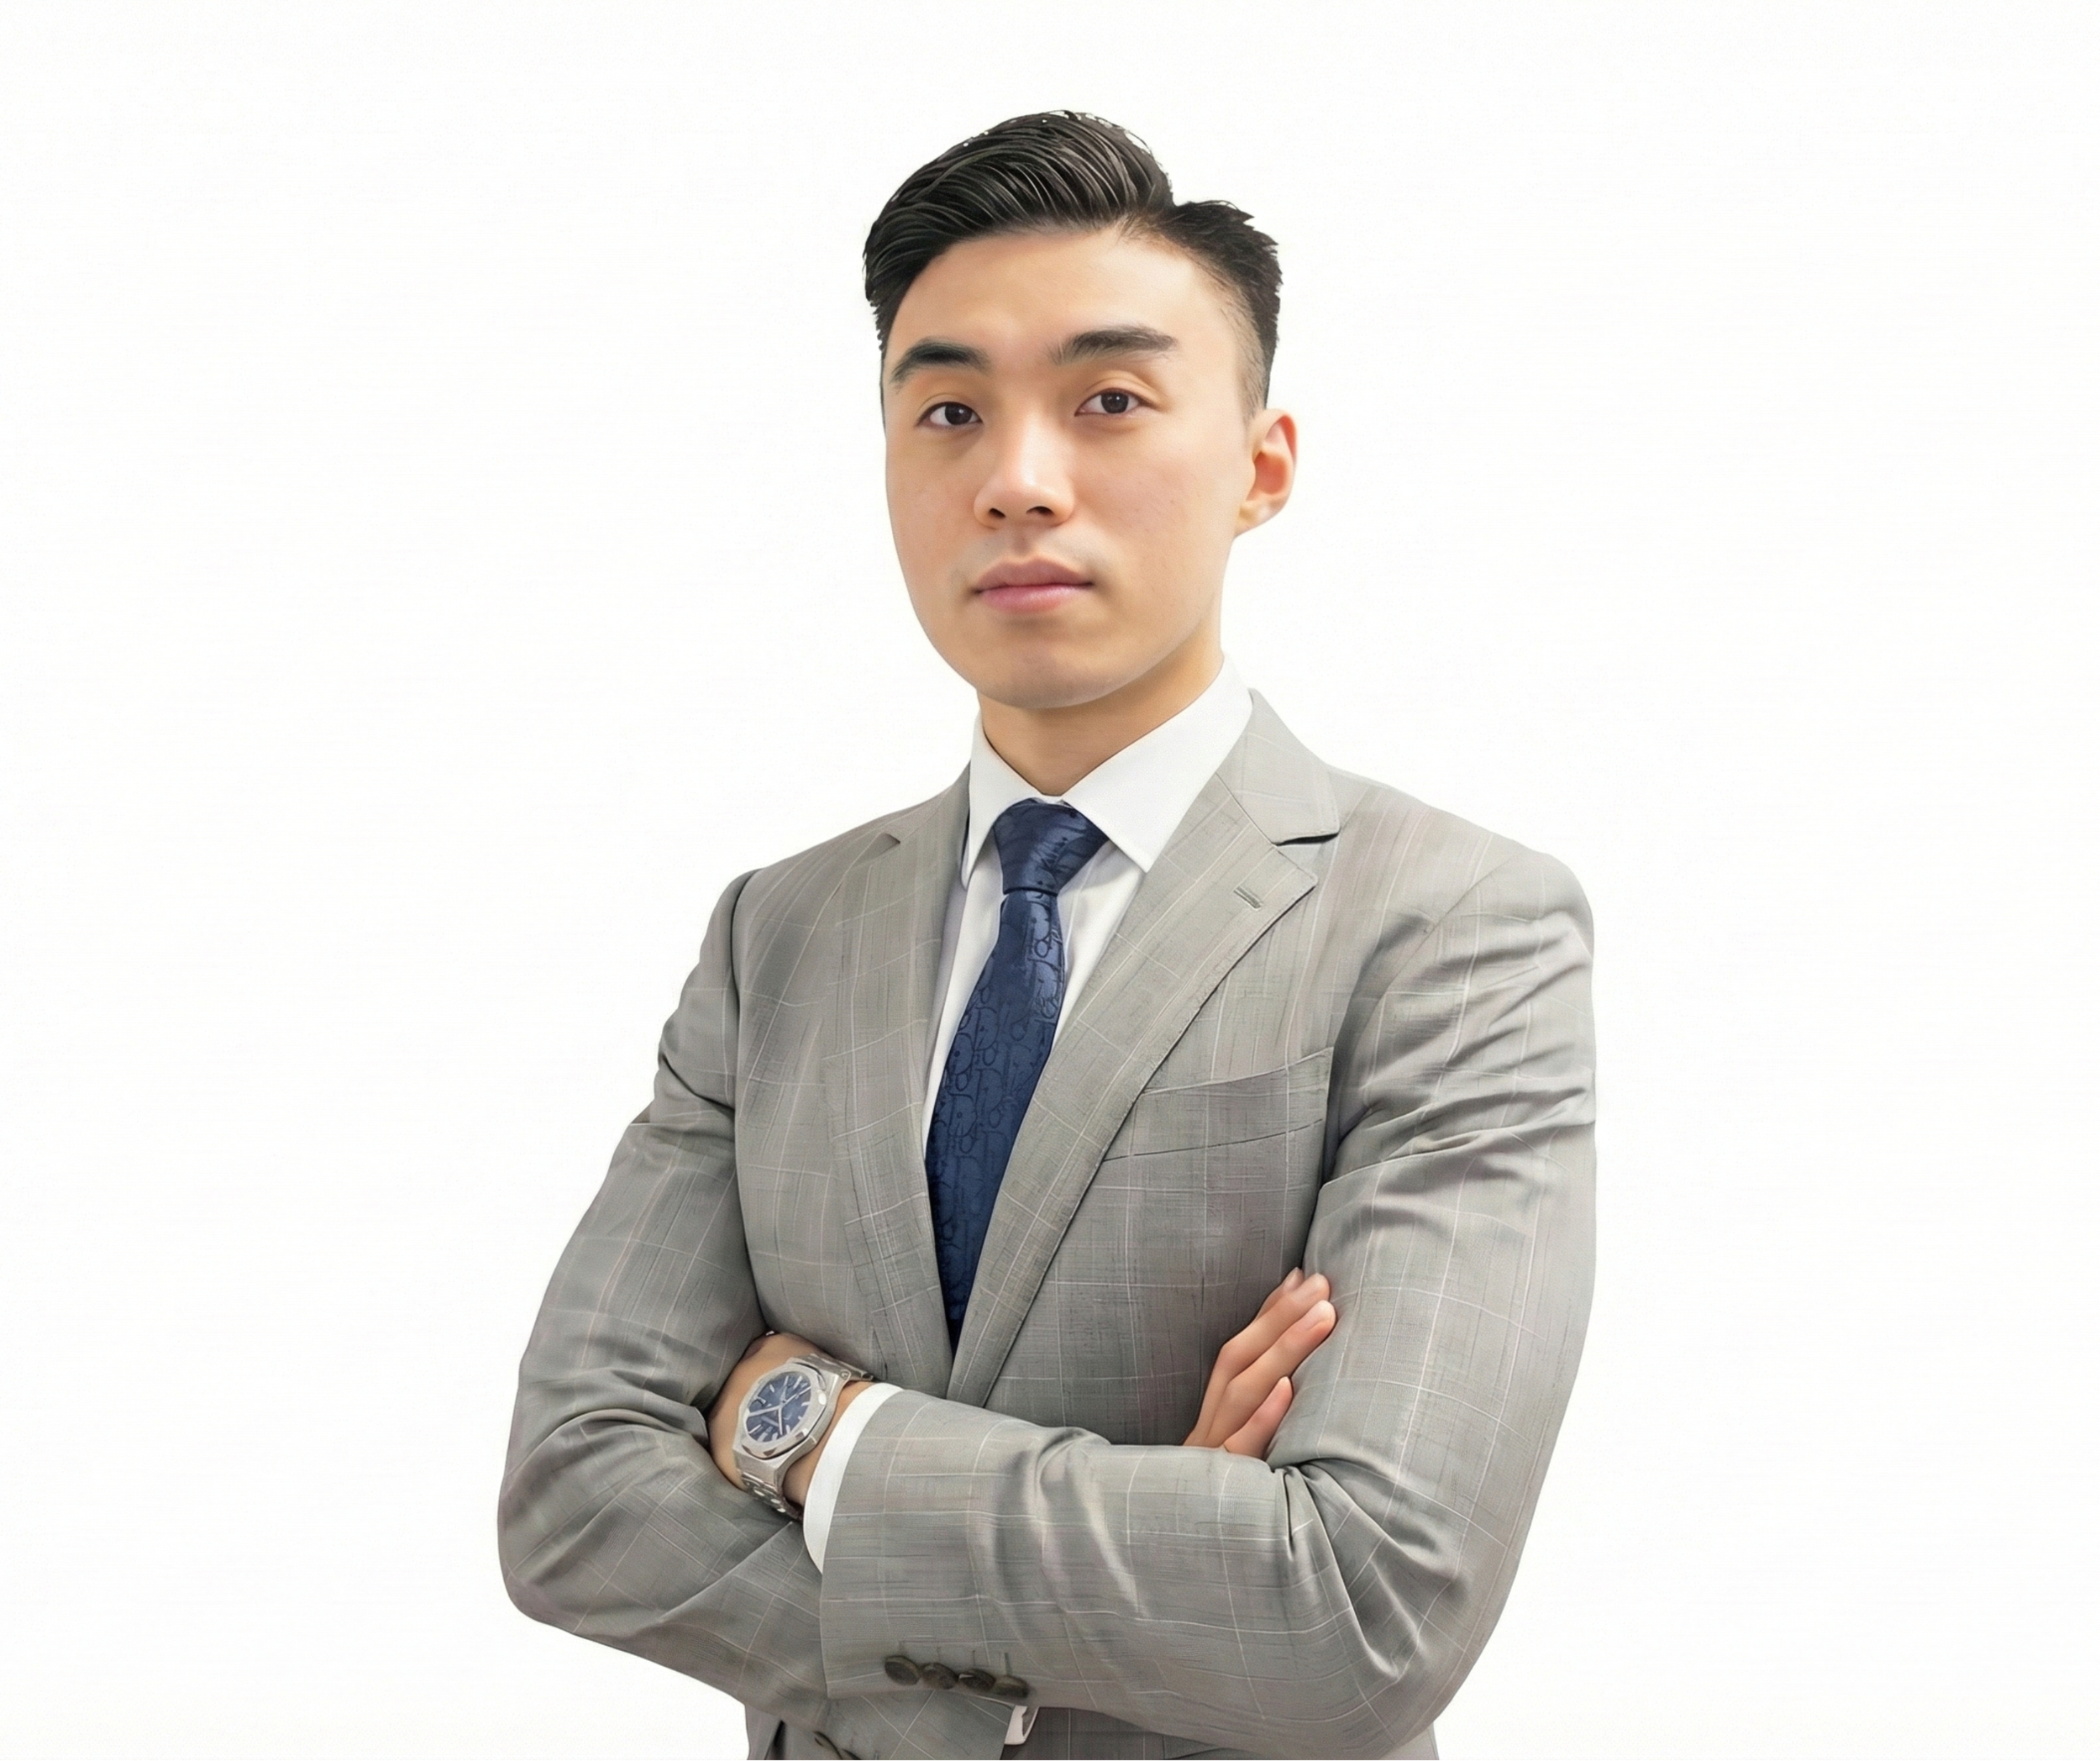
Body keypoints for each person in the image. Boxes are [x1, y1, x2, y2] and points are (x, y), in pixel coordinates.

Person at [499, 112, 1595, 1761]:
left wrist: (810, 1433)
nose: (1014, 477)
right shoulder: (775, 935)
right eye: (947, 408)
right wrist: (1141, 1578)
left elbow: (1364, 1605)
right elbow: (574, 1494)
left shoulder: (1447, 928)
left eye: (1108, 400)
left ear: (1260, 465)